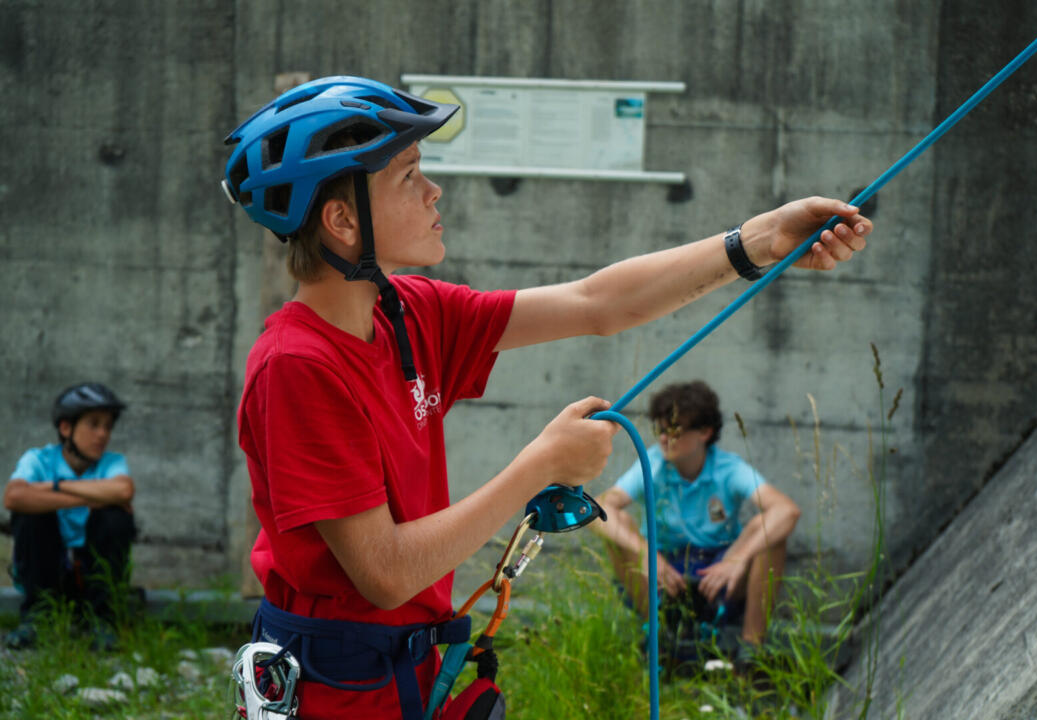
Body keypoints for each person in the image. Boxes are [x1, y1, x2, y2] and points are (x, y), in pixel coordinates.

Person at [221, 75, 871, 719]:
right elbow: (385, 574)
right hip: (340, 685)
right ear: (341, 221)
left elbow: (596, 302)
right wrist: (542, 466)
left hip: (410, 666)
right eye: (409, 175)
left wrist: (758, 240)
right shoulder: (298, 367)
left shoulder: (408, 312)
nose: (434, 190)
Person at [592, 381, 800, 665]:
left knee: (768, 532)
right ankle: (657, 635)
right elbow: (600, 507)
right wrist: (645, 553)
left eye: (674, 431)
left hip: (717, 572)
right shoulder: (653, 463)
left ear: (705, 432)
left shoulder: (728, 468)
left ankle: (751, 652)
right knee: (620, 522)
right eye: (661, 431)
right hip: (664, 571)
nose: (664, 439)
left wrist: (737, 560)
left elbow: (786, 510)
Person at [2, 382, 136, 651]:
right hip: (48, 569)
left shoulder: (112, 462)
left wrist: (52, 487)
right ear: (66, 428)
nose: (102, 434)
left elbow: (123, 490)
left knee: (114, 517)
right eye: (94, 424)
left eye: (108, 426)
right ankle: (38, 616)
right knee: (30, 515)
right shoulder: (39, 459)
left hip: (90, 573)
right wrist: (93, 495)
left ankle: (102, 620)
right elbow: (14, 497)